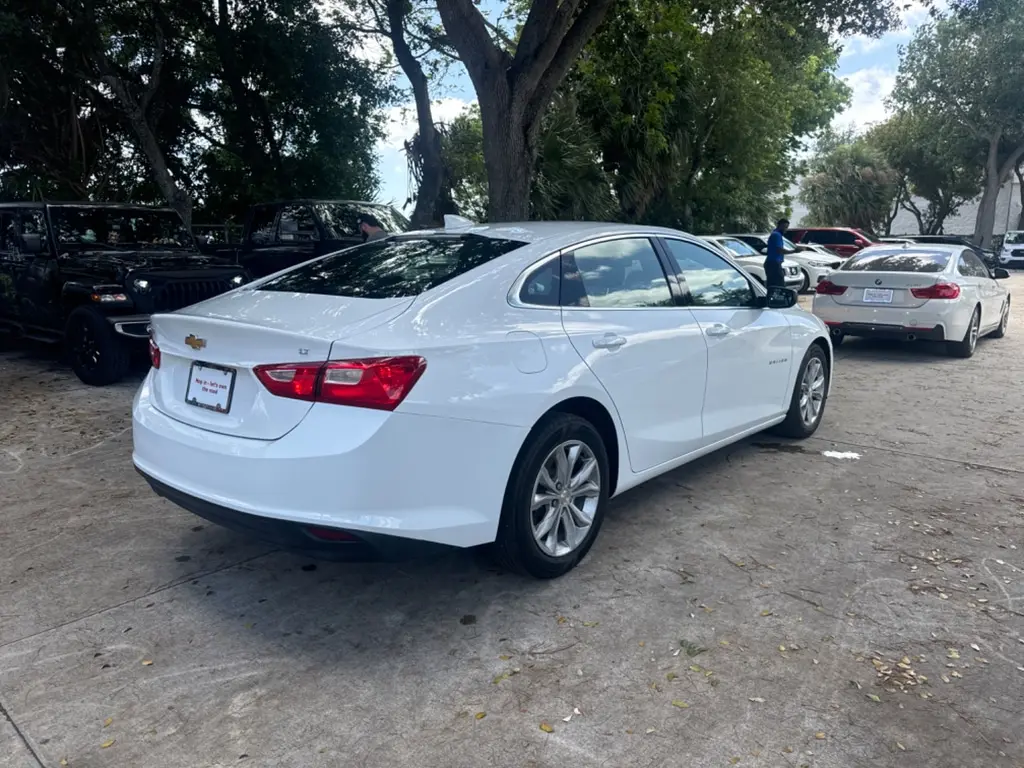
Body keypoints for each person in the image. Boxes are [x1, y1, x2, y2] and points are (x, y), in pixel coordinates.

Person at [765, 218, 788, 289]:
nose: (786, 229)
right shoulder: (776, 235)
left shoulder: (776, 234)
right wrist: (794, 251)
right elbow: (779, 250)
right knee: (779, 286)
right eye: (785, 227)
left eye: (786, 227)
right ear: (780, 226)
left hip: (773, 264)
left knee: (773, 285)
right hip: (773, 264)